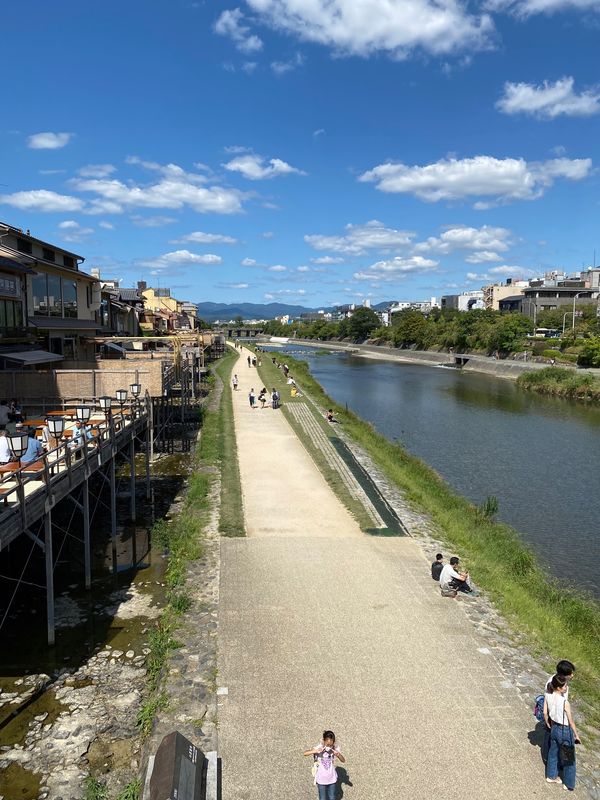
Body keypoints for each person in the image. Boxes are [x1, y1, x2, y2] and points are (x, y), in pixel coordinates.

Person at [544, 675, 581, 790]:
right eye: (565, 686)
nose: (566, 687)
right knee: (569, 759)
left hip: (554, 728)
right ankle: (569, 784)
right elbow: (571, 722)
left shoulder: (547, 696)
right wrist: (576, 735)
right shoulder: (565, 702)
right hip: (565, 731)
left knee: (553, 753)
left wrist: (549, 724)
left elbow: (545, 713)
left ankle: (551, 776)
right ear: (559, 688)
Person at [542, 661, 576, 762]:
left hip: (553, 719)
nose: (572, 675)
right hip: (558, 721)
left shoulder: (556, 681)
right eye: (570, 674)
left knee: (553, 745)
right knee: (563, 748)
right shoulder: (556, 685)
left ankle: (551, 763)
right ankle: (563, 765)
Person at [304, 730, 345, 800]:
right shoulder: (319, 747)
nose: (329, 746)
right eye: (327, 744)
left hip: (332, 778)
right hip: (321, 779)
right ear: (323, 741)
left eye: (331, 745)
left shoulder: (335, 748)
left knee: (332, 797)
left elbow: (343, 760)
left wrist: (338, 754)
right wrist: (316, 751)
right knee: (322, 798)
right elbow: (305, 753)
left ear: (333, 743)